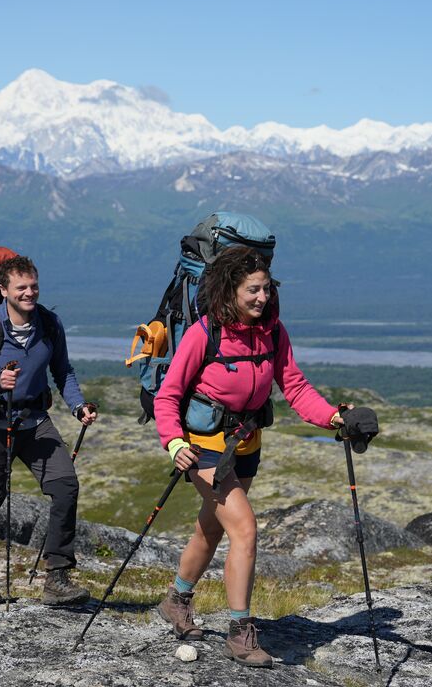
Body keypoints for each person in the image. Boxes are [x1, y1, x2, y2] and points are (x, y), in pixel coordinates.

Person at [152, 246, 350, 668]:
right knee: (244, 528)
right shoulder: (202, 334)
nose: (262, 298)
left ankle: (177, 599)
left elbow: (295, 387)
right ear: (229, 291)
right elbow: (168, 396)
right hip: (204, 449)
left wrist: (334, 418)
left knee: (211, 529)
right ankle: (240, 633)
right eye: (252, 290)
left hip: (246, 447)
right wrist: (174, 443)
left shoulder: (273, 333)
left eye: (266, 288)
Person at [0, 255, 98, 606]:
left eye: (33, 286)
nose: (29, 292)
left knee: (65, 486)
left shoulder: (49, 324)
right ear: (4, 290)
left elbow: (63, 372)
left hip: (35, 422)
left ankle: (57, 578)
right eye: (21, 287)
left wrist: (78, 405)